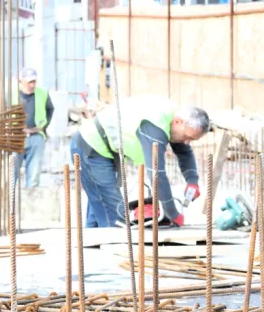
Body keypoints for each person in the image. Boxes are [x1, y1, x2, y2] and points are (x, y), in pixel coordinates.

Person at [69, 95, 209, 228]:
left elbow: (184, 151)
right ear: (178, 121)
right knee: (115, 219)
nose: (186, 142)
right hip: (91, 148)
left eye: (191, 140)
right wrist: (172, 214)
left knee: (99, 213)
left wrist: (192, 180)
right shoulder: (155, 127)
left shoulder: (174, 119)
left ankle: (91, 249)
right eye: (187, 137)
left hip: (101, 150)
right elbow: (157, 175)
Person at [13, 68, 54, 188]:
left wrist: (44, 126)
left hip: (36, 136)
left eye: (34, 82)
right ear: (21, 81)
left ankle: (30, 202)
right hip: (16, 137)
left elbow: (50, 109)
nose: (32, 85)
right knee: (11, 173)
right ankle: (10, 203)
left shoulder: (42, 92)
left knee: (34, 175)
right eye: (29, 82)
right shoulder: (12, 93)